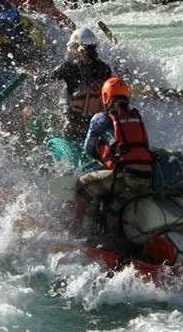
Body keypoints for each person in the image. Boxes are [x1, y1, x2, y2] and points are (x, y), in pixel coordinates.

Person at [76, 77, 154, 235]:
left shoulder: (101, 119)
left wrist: (104, 157)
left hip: (123, 176)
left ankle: (75, 229)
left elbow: (88, 149)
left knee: (82, 184)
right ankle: (113, 239)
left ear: (105, 97)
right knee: (114, 207)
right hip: (145, 178)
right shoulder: (136, 116)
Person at [41, 27, 112, 140]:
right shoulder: (105, 68)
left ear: (80, 49)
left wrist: (32, 74)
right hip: (96, 124)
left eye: (74, 47)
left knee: (50, 118)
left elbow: (44, 80)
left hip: (74, 124)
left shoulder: (68, 67)